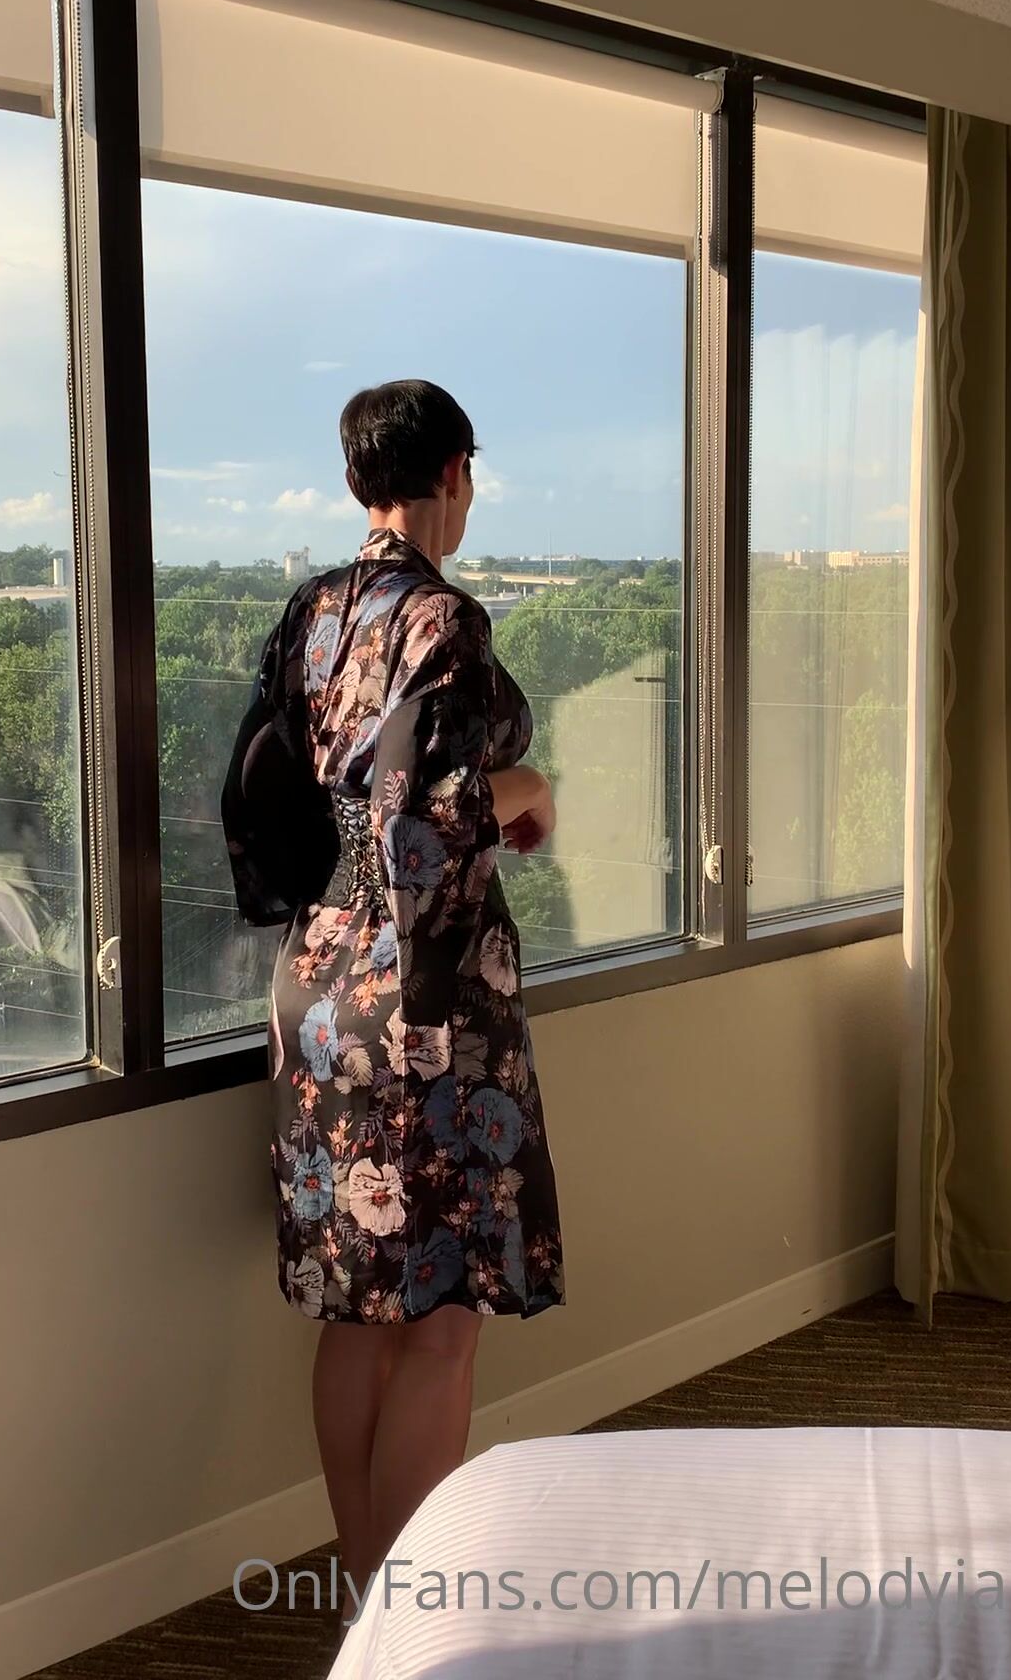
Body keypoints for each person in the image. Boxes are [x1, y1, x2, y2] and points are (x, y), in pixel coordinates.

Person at [238, 379, 564, 1623]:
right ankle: (411, 1617)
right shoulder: (443, 618)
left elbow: (290, 795)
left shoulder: (311, 611)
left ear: (354, 480)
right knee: (440, 1317)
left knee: (357, 1307)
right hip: (420, 1001)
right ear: (456, 474)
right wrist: (530, 788)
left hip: (318, 986)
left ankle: (370, 1603)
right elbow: (429, 829)